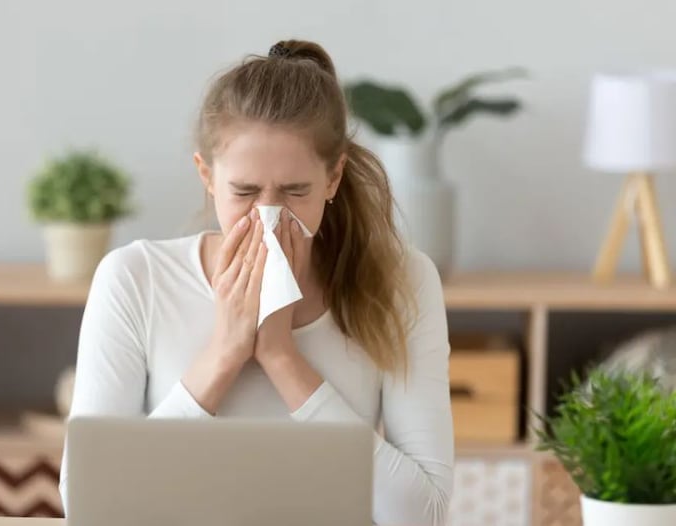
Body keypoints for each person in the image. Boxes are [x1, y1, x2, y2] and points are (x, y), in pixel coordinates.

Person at [59, 39, 454, 526]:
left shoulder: (402, 280)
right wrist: (225, 352)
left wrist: (282, 358)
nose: (269, 213)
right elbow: (92, 505)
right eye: (244, 191)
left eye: (296, 191)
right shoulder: (135, 280)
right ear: (206, 174)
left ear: (334, 178)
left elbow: (425, 513)